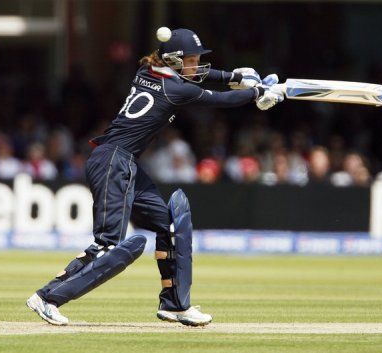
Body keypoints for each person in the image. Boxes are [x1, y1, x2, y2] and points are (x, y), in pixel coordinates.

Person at [26, 28, 283, 326]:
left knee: (169, 225)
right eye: (192, 59)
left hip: (123, 162)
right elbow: (220, 101)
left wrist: (231, 76)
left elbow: (200, 75)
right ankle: (47, 297)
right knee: (109, 244)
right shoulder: (177, 89)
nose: (197, 65)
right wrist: (257, 93)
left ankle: (174, 304)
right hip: (113, 161)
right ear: (174, 60)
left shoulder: (148, 70)